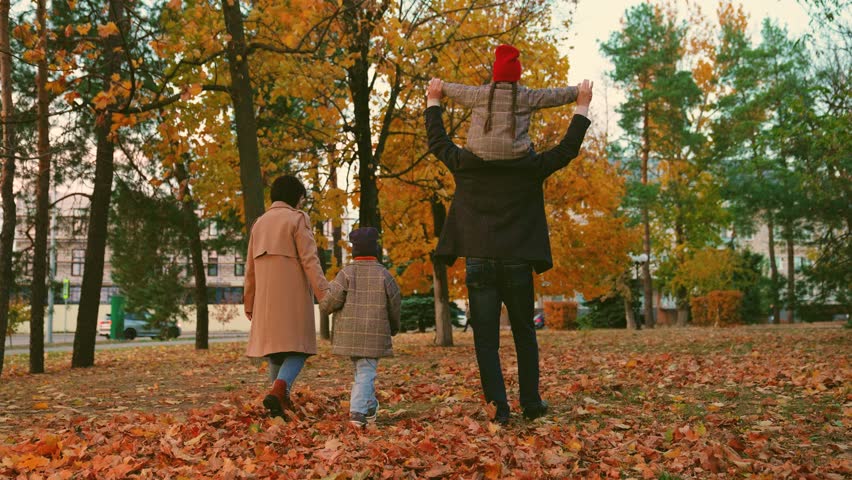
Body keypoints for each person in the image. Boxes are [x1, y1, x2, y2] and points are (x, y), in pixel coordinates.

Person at [424, 76, 593, 424]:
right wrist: (582, 106)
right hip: (516, 261)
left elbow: (437, 142)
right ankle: (531, 403)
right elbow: (566, 151)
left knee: (485, 340)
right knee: (524, 334)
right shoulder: (528, 167)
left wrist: (434, 101)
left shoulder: (466, 164)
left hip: (479, 262)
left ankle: (498, 410)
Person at [243, 175, 330, 418]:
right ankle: (279, 392)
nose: (302, 204)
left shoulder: (259, 224)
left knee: (276, 352)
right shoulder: (297, 219)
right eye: (301, 198)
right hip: (292, 299)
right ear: (295, 197)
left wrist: (249, 302)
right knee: (299, 349)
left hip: (265, 300)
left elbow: (250, 269)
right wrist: (325, 294)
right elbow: (310, 260)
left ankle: (277, 410)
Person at [437, 44, 579, 161]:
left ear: (496, 73)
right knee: (531, 155)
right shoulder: (526, 96)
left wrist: (441, 86)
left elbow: (457, 90)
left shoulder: (479, 94)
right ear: (517, 75)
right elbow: (553, 96)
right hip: (516, 156)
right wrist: (576, 91)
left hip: (478, 153)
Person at [319, 227, 402, 428]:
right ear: (375, 250)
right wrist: (393, 327)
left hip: (349, 334)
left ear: (354, 250)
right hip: (374, 332)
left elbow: (329, 303)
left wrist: (325, 301)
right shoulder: (384, 275)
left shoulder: (345, 274)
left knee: (362, 371)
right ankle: (358, 413)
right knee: (365, 371)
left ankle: (369, 407)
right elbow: (395, 304)